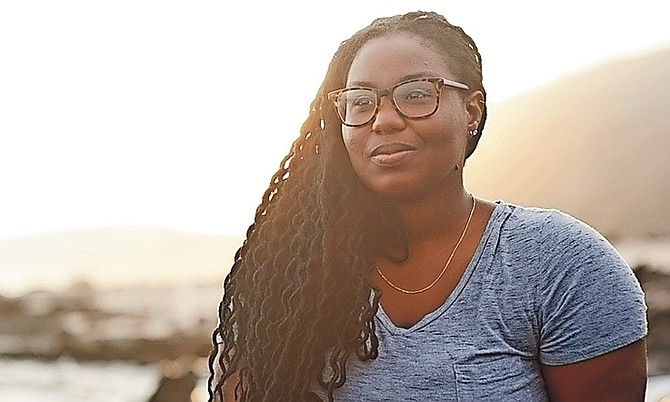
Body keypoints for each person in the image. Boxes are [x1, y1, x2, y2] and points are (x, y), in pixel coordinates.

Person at [207, 10, 647, 402]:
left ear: (472, 111)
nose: (384, 119)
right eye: (360, 101)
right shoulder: (282, 273)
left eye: (416, 94)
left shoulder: (559, 263)